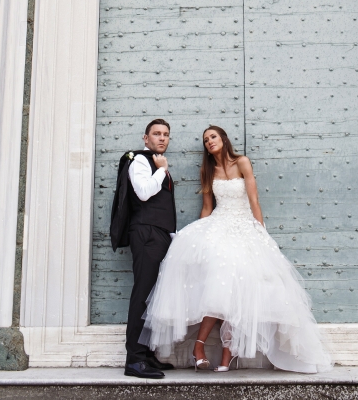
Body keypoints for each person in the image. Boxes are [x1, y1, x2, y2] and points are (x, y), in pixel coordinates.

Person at [140, 125, 332, 373]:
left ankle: (227, 353)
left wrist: (261, 231)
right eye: (206, 139)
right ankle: (200, 347)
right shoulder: (207, 171)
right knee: (220, 284)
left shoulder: (242, 162)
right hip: (219, 225)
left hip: (244, 226)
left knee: (239, 286)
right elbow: (207, 207)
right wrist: (199, 237)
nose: (209, 141)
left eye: (213, 137)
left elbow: (253, 200)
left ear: (223, 139)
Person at [123, 118, 177, 379]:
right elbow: (143, 193)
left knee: (152, 298)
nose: (162, 138)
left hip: (158, 235)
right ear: (146, 139)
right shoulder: (141, 162)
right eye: (156, 134)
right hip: (145, 234)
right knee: (142, 294)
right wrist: (161, 170)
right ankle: (133, 359)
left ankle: (145, 355)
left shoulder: (155, 163)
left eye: (166, 134)